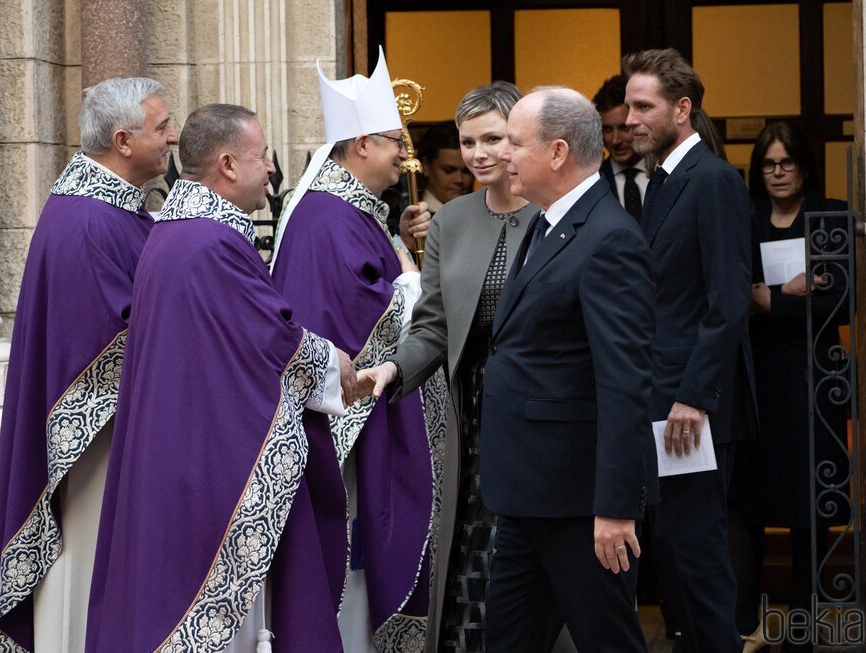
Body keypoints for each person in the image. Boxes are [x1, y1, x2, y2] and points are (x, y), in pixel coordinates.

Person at [84, 104, 357, 652]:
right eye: (264, 158)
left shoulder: (179, 231)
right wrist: (338, 365)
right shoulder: (209, 242)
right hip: (208, 465)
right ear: (229, 165)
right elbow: (271, 337)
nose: (274, 172)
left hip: (185, 447)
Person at [0, 77, 176, 653]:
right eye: (161, 127)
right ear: (122, 140)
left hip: (121, 441)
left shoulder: (111, 211)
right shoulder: (89, 222)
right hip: (98, 453)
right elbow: (116, 340)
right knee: (89, 577)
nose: (174, 137)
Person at [355, 80, 541, 652]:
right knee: (472, 554)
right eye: (468, 142)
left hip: (541, 416)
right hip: (474, 416)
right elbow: (433, 324)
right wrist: (390, 370)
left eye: (494, 139)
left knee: (535, 561)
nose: (479, 153)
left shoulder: (557, 215)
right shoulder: (452, 221)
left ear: (522, 141)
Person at [269, 48, 443, 651]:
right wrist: (415, 279)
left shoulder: (352, 211)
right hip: (349, 429)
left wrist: (399, 254)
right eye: (396, 140)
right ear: (361, 144)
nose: (406, 153)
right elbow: (367, 316)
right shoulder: (326, 216)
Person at [475, 87, 657, 652]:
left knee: (608, 639)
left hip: (579, 503)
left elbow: (626, 383)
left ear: (556, 152)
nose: (503, 155)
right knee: (507, 639)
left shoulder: (609, 239)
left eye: (514, 143)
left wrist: (615, 508)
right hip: (530, 489)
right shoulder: (547, 223)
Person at [623, 48, 757, 653]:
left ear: (683, 109)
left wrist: (692, 399)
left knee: (696, 553)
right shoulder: (665, 183)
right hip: (662, 399)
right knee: (675, 550)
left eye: (642, 105)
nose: (629, 119)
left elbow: (726, 302)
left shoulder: (716, 180)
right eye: (628, 106)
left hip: (690, 409)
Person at [733, 122, 850, 653]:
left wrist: (770, 300)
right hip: (754, 380)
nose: (777, 173)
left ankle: (805, 622)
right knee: (749, 506)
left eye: (786, 163)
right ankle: (748, 624)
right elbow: (732, 298)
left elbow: (839, 305)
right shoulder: (746, 219)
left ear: (804, 166)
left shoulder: (830, 216)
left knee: (810, 505)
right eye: (768, 164)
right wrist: (791, 293)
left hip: (811, 384)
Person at [592, 74, 649, 221]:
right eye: (607, 130)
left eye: (624, 128)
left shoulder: (664, 173)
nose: (616, 140)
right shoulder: (593, 180)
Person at [418, 121, 475, 213]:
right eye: (448, 170)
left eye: (466, 171)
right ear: (426, 166)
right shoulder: (410, 219)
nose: (459, 179)